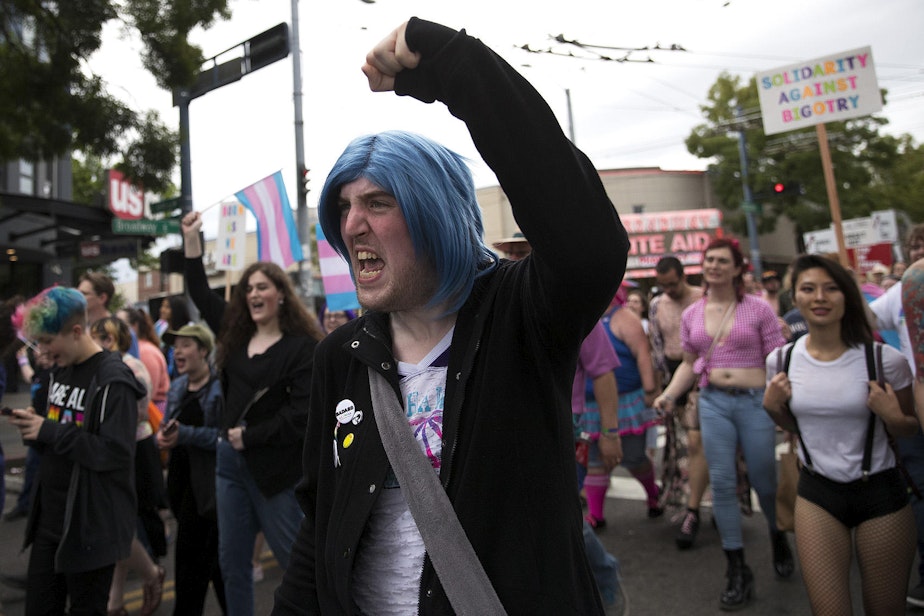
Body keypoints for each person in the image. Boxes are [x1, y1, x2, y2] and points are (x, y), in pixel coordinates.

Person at [272, 18, 628, 615]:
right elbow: (322, 527)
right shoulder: (339, 356)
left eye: (378, 202)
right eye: (343, 206)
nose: (351, 223)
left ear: (434, 215)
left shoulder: (523, 317)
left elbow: (587, 241)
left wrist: (454, 64)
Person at [182, 213, 324, 616]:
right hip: (230, 465)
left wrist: (253, 435)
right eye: (248, 288)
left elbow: (303, 415)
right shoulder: (234, 332)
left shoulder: (301, 348)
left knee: (294, 561)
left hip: (276, 472)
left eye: (262, 286)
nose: (253, 293)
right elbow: (197, 287)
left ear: (281, 294)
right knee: (232, 564)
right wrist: (192, 238)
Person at [764, 254, 917, 615]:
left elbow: (911, 427)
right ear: (795, 298)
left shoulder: (884, 360)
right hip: (818, 493)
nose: (820, 297)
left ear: (847, 296)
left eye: (831, 288)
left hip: (880, 492)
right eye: (808, 289)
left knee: (885, 609)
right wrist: (772, 408)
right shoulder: (780, 360)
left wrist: (893, 416)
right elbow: (792, 425)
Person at [653, 237, 791, 611]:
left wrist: (786, 401)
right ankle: (736, 568)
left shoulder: (758, 310)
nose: (714, 265)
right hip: (712, 402)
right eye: (709, 260)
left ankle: (777, 533)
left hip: (754, 403)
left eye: (722, 260)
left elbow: (777, 359)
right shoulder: (692, 315)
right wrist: (668, 394)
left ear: (736, 268)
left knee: (764, 478)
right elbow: (688, 362)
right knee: (723, 483)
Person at [494, 228, 627, 614]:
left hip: (566, 426)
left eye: (526, 252)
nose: (517, 260)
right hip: (513, 427)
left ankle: (602, 576)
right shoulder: (498, 308)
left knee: (561, 515)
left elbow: (603, 373)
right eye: (512, 253)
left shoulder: (572, 310)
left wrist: (611, 432)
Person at [7, 287, 144, 615]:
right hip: (50, 523)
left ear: (77, 331)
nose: (42, 351)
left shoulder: (114, 380)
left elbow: (114, 453)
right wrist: (34, 428)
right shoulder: (60, 368)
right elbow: (58, 434)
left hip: (90, 527)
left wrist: (49, 430)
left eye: (47, 341)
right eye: (37, 342)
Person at [89, 316, 167, 616]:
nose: (100, 343)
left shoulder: (132, 367)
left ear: (119, 339)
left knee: (120, 524)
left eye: (105, 338)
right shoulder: (100, 366)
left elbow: (129, 414)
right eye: (97, 337)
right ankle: (116, 600)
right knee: (118, 525)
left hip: (134, 451)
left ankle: (148, 573)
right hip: (117, 450)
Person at [870, 223, 924, 608]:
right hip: (915, 405)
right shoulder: (906, 288)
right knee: (919, 492)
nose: (921, 250)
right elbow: (870, 322)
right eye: (916, 245)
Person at [158, 323, 227, 615]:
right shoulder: (176, 387)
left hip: (208, 493)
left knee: (190, 571)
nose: (178, 351)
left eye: (186, 344)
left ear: (203, 350)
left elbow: (223, 439)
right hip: (181, 486)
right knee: (217, 570)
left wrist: (185, 434)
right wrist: (163, 436)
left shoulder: (219, 390)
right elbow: (169, 427)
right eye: (175, 346)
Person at [649, 255, 708, 549]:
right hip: (674, 373)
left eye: (672, 284)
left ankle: (700, 504)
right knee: (679, 446)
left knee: (699, 443)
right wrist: (662, 388)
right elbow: (657, 348)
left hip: (701, 375)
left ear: (683, 277)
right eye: (663, 285)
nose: (669, 289)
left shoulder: (702, 299)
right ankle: (685, 501)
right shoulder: (658, 304)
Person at [597, 283, 662, 522]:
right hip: (592, 405)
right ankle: (595, 515)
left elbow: (643, 355)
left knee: (634, 456)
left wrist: (649, 390)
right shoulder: (586, 313)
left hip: (628, 401)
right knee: (596, 460)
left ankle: (653, 495)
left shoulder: (625, 318)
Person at [119, 306, 170, 415]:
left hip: (153, 413)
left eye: (121, 325)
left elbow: (148, 394)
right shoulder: (135, 350)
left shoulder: (146, 352)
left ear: (135, 326)